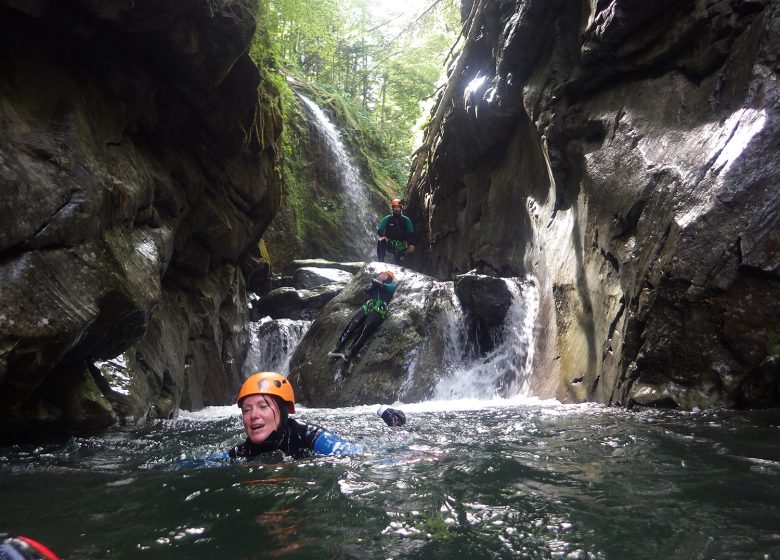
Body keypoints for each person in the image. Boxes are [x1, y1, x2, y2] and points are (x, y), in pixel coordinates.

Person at [228, 371, 362, 460]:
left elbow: (357, 456)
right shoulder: (243, 451)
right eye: (246, 410)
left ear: (283, 411)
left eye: (263, 406)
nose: (253, 415)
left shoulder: (310, 437)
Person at [328, 270, 396, 362]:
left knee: (366, 327)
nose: (381, 275)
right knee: (353, 322)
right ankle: (338, 347)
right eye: (381, 274)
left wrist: (376, 280)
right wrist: (376, 281)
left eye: (384, 274)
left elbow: (381, 286)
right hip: (369, 306)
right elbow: (367, 290)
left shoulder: (391, 286)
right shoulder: (376, 285)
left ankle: (351, 351)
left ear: (389, 278)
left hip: (380, 309)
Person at [377, 198, 415, 264]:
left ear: (401, 208)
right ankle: (381, 263)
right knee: (381, 241)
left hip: (401, 245)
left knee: (400, 264)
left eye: (398, 207)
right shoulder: (387, 219)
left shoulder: (406, 220)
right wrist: (383, 236)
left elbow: (411, 233)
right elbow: (380, 230)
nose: (397, 209)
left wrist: (411, 244)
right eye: (395, 207)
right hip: (390, 243)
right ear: (392, 208)